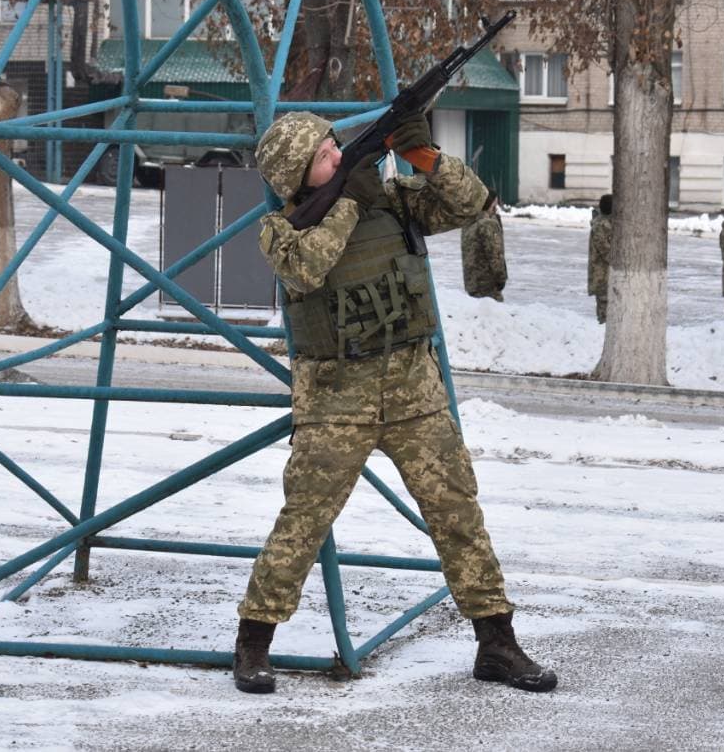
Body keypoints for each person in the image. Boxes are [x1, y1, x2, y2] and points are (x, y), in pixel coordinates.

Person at [234, 111, 557, 696]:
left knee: (457, 514)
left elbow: (472, 203)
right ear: (297, 176)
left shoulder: (394, 203)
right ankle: (253, 643)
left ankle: (497, 643)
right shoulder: (280, 230)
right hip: (336, 401)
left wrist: (425, 157)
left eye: (338, 145)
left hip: (413, 390)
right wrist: (348, 201)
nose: (339, 155)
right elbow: (308, 269)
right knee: (302, 523)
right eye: (326, 155)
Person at [460, 188, 507, 301]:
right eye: (494, 204)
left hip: (472, 284)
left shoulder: (469, 222)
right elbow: (496, 255)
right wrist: (501, 278)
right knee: (494, 315)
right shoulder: (488, 224)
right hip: (488, 285)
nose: (496, 207)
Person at [587, 193, 612, 324]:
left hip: (606, 274)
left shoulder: (606, 223)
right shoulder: (600, 226)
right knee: (604, 306)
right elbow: (607, 251)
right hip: (601, 274)